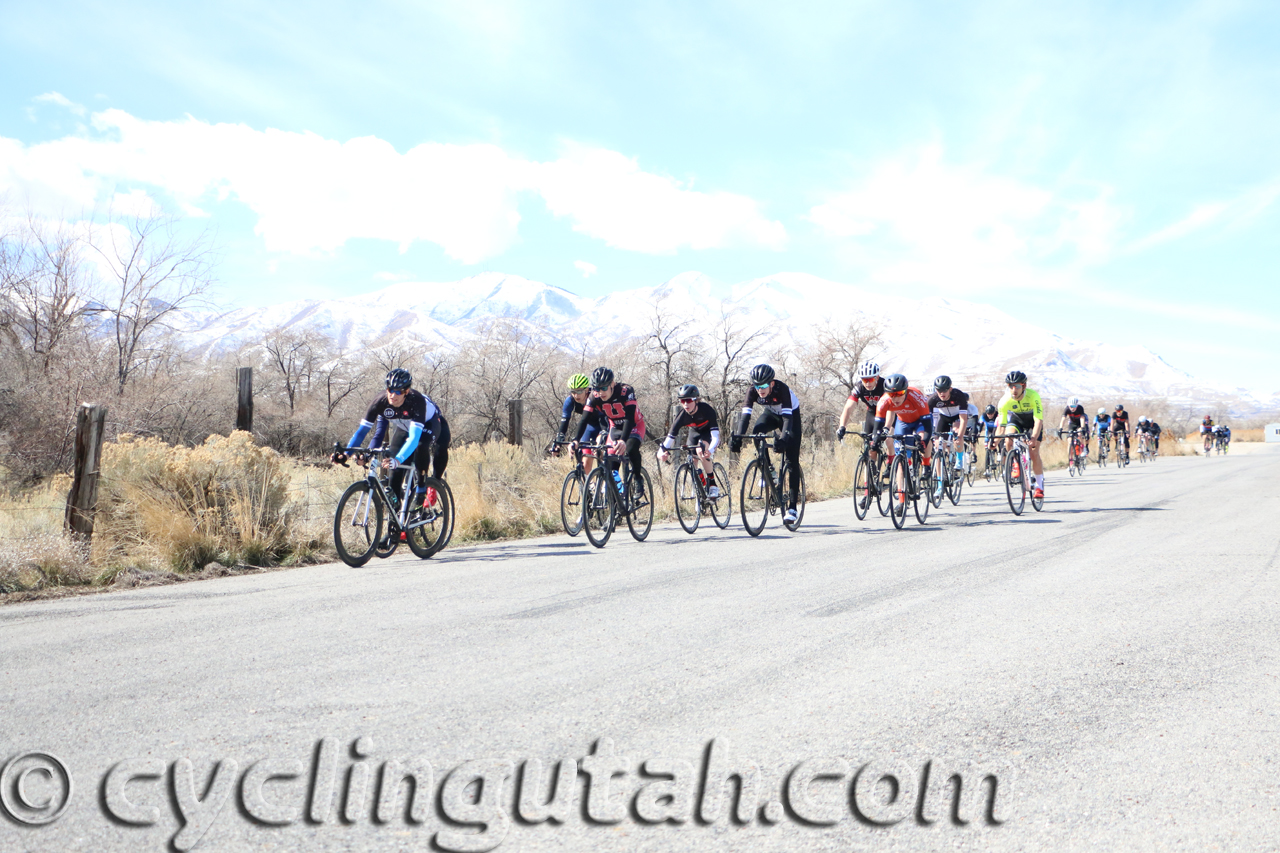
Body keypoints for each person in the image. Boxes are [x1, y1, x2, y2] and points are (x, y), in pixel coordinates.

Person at [332, 368, 450, 515]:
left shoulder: (416, 400)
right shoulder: (380, 402)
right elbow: (369, 433)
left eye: (398, 392)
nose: (393, 395)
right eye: (390, 390)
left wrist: (399, 460)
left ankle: (422, 489)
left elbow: (414, 438)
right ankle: (395, 524)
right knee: (393, 466)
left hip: (429, 424)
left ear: (406, 392)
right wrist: (347, 454)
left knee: (421, 445)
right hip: (404, 427)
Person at [730, 364, 802, 525]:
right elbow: (745, 417)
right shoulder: (752, 391)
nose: (759, 389)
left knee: (791, 461)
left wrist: (784, 439)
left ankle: (792, 508)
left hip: (790, 417)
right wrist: (739, 437)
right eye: (756, 385)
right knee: (757, 432)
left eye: (763, 385)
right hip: (770, 414)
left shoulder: (781, 389)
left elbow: (787, 419)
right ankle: (768, 469)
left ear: (771, 383)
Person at [573, 367, 647, 497]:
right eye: (596, 388)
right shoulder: (594, 396)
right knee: (610, 465)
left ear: (612, 384)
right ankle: (617, 499)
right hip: (615, 427)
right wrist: (575, 440)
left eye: (604, 388)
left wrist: (623, 440)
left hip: (634, 425)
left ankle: (638, 479)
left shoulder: (625, 391)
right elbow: (584, 420)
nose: (600, 392)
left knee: (630, 448)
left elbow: (629, 419)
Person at [873, 373, 934, 499]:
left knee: (923, 439)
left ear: (906, 391)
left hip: (920, 422)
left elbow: (928, 427)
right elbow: (877, 426)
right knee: (901, 459)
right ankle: (901, 500)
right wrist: (876, 439)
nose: (895, 398)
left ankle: (926, 465)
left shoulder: (916, 396)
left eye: (899, 394)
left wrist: (924, 441)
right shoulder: (884, 401)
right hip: (903, 422)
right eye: (891, 394)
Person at [656, 384, 722, 498]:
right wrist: (662, 450)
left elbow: (716, 436)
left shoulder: (707, 410)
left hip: (707, 433)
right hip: (694, 433)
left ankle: (712, 484)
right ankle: (699, 486)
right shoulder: (682, 415)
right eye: (682, 401)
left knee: (700, 451)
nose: (685, 404)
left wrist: (710, 450)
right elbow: (670, 437)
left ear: (696, 400)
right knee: (692, 457)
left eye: (689, 400)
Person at [995, 370, 1045, 499]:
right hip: (1017, 420)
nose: (1013, 389)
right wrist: (994, 441)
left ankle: (1039, 486)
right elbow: (1002, 425)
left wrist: (1033, 438)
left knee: (1034, 452)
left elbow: (1038, 420)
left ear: (1024, 386)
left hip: (1032, 423)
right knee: (1008, 439)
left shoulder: (1033, 396)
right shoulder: (1004, 401)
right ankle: (1015, 463)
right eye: (1010, 386)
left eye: (1016, 386)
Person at [836, 362, 887, 470]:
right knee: (870, 447)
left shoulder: (884, 385)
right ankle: (870, 479)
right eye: (865, 380)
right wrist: (842, 426)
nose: (867, 383)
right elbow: (848, 408)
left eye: (870, 380)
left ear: (877, 377)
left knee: (890, 440)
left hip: (887, 414)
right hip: (872, 414)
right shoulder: (859, 387)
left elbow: (892, 408)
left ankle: (891, 463)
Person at [553, 373, 602, 475]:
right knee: (585, 461)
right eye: (573, 392)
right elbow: (564, 421)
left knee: (602, 453)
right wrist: (558, 443)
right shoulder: (570, 400)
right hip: (590, 426)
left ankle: (609, 483)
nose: (576, 395)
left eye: (579, 391)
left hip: (603, 425)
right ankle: (591, 487)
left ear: (587, 390)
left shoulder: (595, 398)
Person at [927, 375, 971, 471]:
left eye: (945, 390)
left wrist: (960, 436)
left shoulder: (958, 395)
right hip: (944, 418)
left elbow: (963, 419)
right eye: (939, 391)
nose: (942, 393)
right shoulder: (933, 399)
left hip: (957, 417)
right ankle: (940, 482)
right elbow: (927, 419)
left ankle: (959, 458)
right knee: (938, 446)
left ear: (950, 389)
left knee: (957, 434)